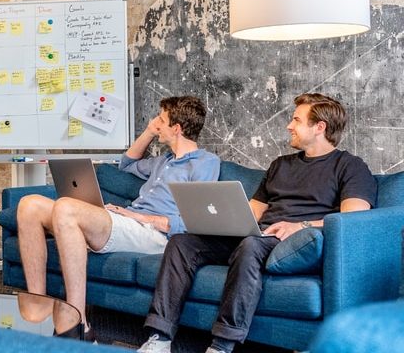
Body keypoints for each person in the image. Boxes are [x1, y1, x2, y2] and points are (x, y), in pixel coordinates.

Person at [137, 93, 377, 353]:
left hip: (295, 242)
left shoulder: (350, 166)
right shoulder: (280, 165)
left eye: (296, 120)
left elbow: (352, 219)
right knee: (182, 243)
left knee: (251, 245)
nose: (289, 125)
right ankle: (159, 338)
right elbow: (252, 211)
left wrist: (300, 226)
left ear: (320, 127)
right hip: (260, 236)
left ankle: (221, 345)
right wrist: (219, 221)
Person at [17, 96, 220, 340]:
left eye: (161, 120)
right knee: (29, 205)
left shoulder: (205, 163)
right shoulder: (163, 161)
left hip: (155, 235)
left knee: (66, 208)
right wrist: (147, 132)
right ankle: (38, 301)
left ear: (176, 129)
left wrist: (141, 217)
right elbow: (126, 164)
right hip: (129, 223)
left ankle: (79, 322)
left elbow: (194, 221)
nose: (155, 123)